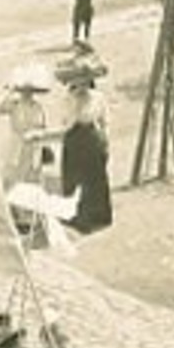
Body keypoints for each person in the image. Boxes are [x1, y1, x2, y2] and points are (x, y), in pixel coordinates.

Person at [60, 79, 112, 233]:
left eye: (84, 82)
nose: (81, 86)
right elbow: (66, 122)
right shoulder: (69, 98)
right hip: (74, 137)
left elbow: (104, 120)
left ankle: (97, 216)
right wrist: (75, 105)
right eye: (78, 82)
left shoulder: (98, 97)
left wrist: (105, 141)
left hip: (92, 137)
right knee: (73, 177)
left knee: (94, 177)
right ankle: (76, 216)